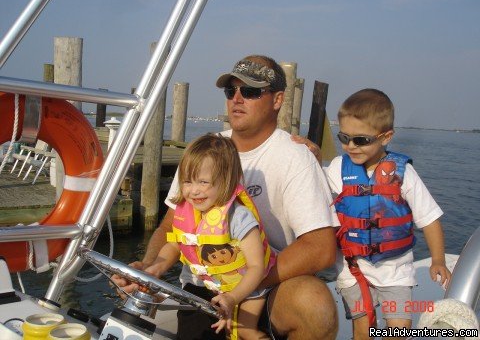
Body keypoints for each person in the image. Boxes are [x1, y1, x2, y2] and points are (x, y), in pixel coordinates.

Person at [113, 55, 339, 340]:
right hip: (202, 288)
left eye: (252, 91)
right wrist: (148, 269)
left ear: (278, 100)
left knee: (315, 304)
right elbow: (171, 226)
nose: (237, 98)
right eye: (231, 91)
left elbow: (320, 248)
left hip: (269, 286)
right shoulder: (203, 151)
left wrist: (242, 286)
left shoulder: (295, 158)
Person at [323, 88, 451, 340]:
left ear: (386, 137)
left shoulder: (403, 174)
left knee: (398, 330)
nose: (350, 146)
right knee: (363, 330)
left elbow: (430, 218)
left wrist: (438, 260)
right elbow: (312, 189)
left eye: (360, 140)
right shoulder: (338, 168)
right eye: (344, 137)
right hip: (353, 269)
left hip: (396, 271)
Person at [143, 133, 276, 339]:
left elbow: (257, 267)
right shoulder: (188, 212)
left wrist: (232, 298)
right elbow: (176, 244)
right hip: (211, 288)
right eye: (187, 182)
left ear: (226, 181)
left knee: (244, 332)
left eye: (203, 182)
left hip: (249, 289)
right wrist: (156, 268)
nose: (194, 191)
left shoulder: (238, 217)